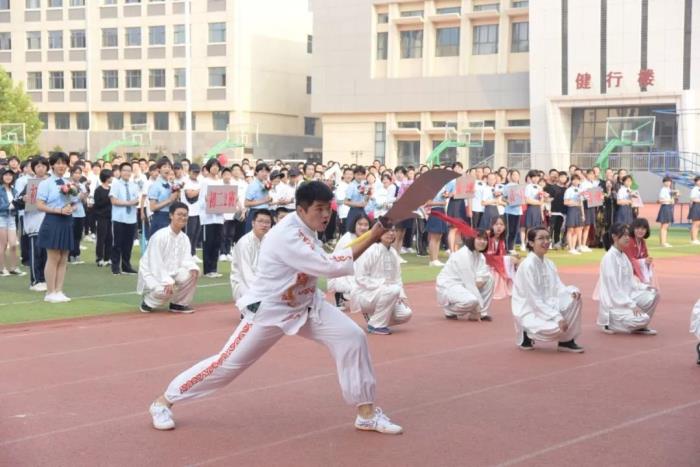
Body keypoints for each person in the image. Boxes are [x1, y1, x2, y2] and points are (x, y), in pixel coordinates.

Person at [148, 181, 403, 435]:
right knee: (226, 366)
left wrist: (374, 232)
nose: (326, 215)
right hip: (270, 311)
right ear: (301, 209)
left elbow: (329, 259)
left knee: (352, 337)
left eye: (328, 208)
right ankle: (163, 402)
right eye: (319, 209)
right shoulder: (287, 235)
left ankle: (366, 414)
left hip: (307, 305)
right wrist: (374, 235)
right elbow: (329, 266)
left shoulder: (308, 226)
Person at [511, 227, 584, 352]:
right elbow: (533, 300)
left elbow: (558, 287)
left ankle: (566, 341)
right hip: (530, 310)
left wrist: (571, 291)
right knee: (557, 328)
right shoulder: (527, 265)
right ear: (531, 243)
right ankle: (527, 333)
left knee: (575, 299)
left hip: (548, 305)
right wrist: (557, 317)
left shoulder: (549, 263)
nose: (546, 241)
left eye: (547, 238)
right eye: (541, 238)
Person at [596, 223, 660, 335]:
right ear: (615, 237)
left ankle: (639, 325)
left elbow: (631, 281)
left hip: (627, 297)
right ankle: (611, 322)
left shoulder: (623, 256)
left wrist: (645, 287)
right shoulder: (609, 258)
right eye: (624, 235)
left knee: (654, 294)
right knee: (643, 318)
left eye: (628, 235)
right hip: (615, 304)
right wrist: (632, 305)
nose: (627, 238)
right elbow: (614, 290)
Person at [138, 202, 200, 314]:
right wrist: (166, 280)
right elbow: (155, 263)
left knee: (193, 273)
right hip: (152, 273)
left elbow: (186, 259)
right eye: (179, 214)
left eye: (185, 215)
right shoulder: (160, 236)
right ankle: (148, 301)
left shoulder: (184, 238)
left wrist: (193, 267)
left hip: (172, 271)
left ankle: (178, 304)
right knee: (165, 290)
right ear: (171, 215)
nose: (183, 218)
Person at [349, 227, 412, 335]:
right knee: (393, 290)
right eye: (386, 230)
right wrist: (383, 286)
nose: (390, 233)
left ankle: (374, 319)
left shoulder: (393, 252)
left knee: (406, 314)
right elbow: (360, 278)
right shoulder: (371, 250)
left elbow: (397, 278)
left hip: (387, 293)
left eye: (393, 230)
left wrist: (402, 296)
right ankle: (375, 325)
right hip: (366, 294)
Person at [36, 152, 79, 303]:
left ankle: (59, 290)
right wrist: (58, 210)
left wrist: (71, 208)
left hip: (67, 221)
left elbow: (74, 202)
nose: (61, 166)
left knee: (64, 257)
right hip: (53, 220)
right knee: (53, 257)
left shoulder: (69, 183)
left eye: (64, 163)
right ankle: (50, 292)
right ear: (52, 165)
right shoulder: (46, 183)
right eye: (58, 163)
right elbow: (40, 205)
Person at [436, 229, 495, 321]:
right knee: (472, 301)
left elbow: (483, 275)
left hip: (464, 284)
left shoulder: (480, 256)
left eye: (485, 239)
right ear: (472, 239)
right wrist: (476, 310)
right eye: (479, 239)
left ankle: (482, 313)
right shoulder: (463, 255)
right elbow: (469, 284)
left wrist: (481, 280)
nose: (482, 242)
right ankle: (450, 310)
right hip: (450, 286)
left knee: (490, 279)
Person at [328, 213, 370, 308]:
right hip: (344, 270)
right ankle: (340, 294)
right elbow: (339, 262)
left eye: (366, 225)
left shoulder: (369, 238)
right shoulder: (347, 238)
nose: (363, 227)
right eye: (360, 224)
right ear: (354, 225)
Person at [229, 209, 272, 302]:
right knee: (259, 305)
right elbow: (246, 275)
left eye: (267, 222)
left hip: (263, 283)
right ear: (253, 223)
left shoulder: (270, 240)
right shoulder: (244, 243)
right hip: (244, 285)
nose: (264, 225)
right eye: (260, 221)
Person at [109, 162, 139, 275]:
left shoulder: (134, 185)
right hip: (119, 218)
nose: (127, 173)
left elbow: (136, 200)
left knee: (128, 244)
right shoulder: (116, 184)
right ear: (120, 172)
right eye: (124, 170)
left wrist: (134, 202)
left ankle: (126, 266)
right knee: (117, 243)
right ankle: (115, 266)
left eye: (129, 170)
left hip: (131, 218)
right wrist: (128, 203)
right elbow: (113, 201)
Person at [23, 157, 49, 290]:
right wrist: (23, 199)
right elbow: (16, 201)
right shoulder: (30, 184)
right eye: (38, 166)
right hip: (35, 223)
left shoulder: (51, 182)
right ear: (33, 168)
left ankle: (45, 279)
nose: (41, 168)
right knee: (36, 253)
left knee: (47, 254)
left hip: (49, 223)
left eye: (43, 166)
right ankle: (35, 280)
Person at [484, 217, 519, 300]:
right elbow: (488, 256)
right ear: (492, 226)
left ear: (505, 227)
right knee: (509, 261)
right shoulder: (487, 237)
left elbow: (502, 254)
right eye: (496, 224)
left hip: (496, 263)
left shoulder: (501, 240)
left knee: (516, 260)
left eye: (501, 224)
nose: (499, 226)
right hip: (487, 265)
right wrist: (507, 258)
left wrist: (510, 257)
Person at [0, 168, 24, 276]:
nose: (8, 177)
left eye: (10, 175)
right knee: (3, 244)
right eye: (6, 175)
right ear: (2, 177)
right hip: (1, 217)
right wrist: (10, 205)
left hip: (12, 218)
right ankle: (2, 268)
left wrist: (21, 202)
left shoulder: (14, 190)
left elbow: (18, 204)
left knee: (13, 244)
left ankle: (13, 267)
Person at [147, 158, 178, 239]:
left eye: (169, 167)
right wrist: (169, 200)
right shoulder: (155, 185)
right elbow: (152, 207)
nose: (167, 169)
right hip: (160, 217)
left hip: (171, 217)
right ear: (159, 169)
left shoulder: (171, 184)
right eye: (164, 167)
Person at [623, 217, 657, 288]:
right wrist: (644, 261)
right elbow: (630, 260)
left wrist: (648, 261)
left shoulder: (642, 242)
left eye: (643, 229)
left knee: (651, 266)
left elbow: (645, 257)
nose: (640, 231)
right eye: (638, 228)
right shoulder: (629, 241)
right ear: (633, 229)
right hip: (626, 271)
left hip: (635, 271)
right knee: (638, 282)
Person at [243, 162, 271, 233]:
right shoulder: (253, 185)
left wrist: (270, 199)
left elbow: (266, 199)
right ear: (256, 172)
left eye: (266, 171)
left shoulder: (265, 184)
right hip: (255, 213)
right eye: (262, 171)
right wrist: (264, 201)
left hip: (265, 212)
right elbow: (246, 203)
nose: (265, 173)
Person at [68, 165, 87, 265]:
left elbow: (84, 201)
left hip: (80, 213)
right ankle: (71, 255)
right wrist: (79, 197)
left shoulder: (81, 185)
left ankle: (77, 254)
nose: (78, 175)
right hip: (72, 213)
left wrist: (83, 196)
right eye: (76, 173)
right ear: (71, 173)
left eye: (79, 173)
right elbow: (69, 200)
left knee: (78, 235)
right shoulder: (68, 185)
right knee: (71, 235)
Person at [93, 169, 113, 267]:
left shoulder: (111, 189)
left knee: (110, 237)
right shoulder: (98, 190)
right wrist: (108, 198)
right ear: (106, 178)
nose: (112, 178)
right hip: (101, 217)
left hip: (110, 217)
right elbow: (97, 204)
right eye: (110, 176)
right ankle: (99, 258)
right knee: (101, 237)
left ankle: (107, 258)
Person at [182, 163, 202, 261]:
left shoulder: (199, 182)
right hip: (189, 212)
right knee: (190, 234)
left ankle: (193, 253)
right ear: (189, 171)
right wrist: (200, 190)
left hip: (198, 212)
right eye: (194, 172)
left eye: (197, 172)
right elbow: (190, 194)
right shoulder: (186, 181)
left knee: (196, 234)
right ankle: (187, 254)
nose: (195, 174)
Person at [564, 174, 585, 255]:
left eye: (577, 180)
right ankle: (570, 248)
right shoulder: (568, 190)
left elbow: (581, 203)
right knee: (570, 229)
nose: (576, 181)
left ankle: (573, 247)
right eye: (574, 180)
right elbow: (565, 202)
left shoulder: (580, 190)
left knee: (577, 230)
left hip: (578, 211)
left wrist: (583, 214)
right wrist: (575, 203)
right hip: (571, 210)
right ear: (571, 181)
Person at [656, 176, 676, 247]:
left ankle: (663, 242)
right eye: (666, 181)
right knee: (664, 226)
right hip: (665, 207)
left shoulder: (669, 189)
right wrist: (670, 200)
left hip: (669, 207)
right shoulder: (663, 190)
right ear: (663, 182)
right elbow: (660, 200)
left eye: (669, 181)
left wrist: (674, 197)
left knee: (665, 226)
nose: (668, 183)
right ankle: (663, 242)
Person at [690, 176, 700, 245]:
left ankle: (695, 238)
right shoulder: (695, 189)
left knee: (698, 224)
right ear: (696, 182)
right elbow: (692, 198)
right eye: (698, 181)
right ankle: (693, 239)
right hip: (696, 206)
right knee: (695, 223)